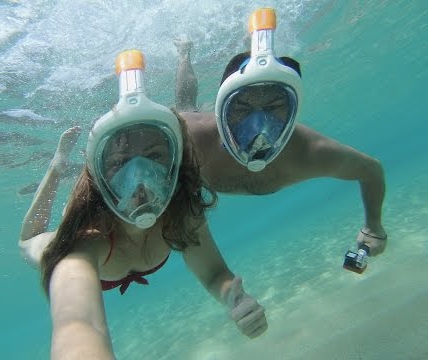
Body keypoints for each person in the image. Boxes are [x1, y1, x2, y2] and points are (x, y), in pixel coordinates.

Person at [19, 50, 267, 360]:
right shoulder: (85, 243)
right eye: (121, 161)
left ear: (175, 163)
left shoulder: (180, 215)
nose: (140, 177)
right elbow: (79, 326)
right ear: (100, 177)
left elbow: (215, 273)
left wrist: (232, 296)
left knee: (187, 111)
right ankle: (57, 166)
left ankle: (184, 52)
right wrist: (58, 168)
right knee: (28, 242)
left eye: (153, 157)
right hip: (70, 235)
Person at [174, 8, 387, 256]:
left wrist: (374, 227)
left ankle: (250, 52)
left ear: (292, 111)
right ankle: (184, 53)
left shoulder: (308, 150)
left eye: (274, 108)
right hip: (196, 124)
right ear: (222, 110)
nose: (258, 126)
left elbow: (371, 170)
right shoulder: (191, 139)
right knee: (185, 107)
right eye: (242, 109)